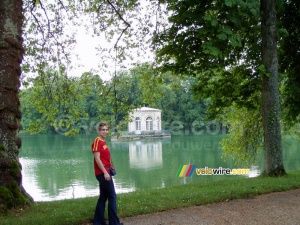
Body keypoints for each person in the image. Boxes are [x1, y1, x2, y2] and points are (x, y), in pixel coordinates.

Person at [91, 123, 123, 225]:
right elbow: (97, 159)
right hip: (102, 173)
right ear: (99, 131)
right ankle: (114, 223)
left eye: (106, 130)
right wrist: (105, 173)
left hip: (105, 171)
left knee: (103, 197)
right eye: (103, 130)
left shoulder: (103, 142)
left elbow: (104, 158)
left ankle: (98, 222)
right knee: (112, 196)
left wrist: (110, 166)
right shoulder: (97, 142)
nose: (105, 131)